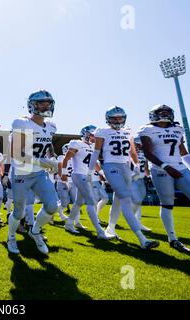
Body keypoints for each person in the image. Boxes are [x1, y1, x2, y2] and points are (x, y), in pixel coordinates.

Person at [87, 106, 159, 250]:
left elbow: (132, 151)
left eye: (120, 118)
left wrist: (137, 166)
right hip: (110, 165)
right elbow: (95, 153)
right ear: (108, 119)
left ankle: (110, 229)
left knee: (118, 200)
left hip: (125, 167)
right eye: (115, 118)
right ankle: (142, 239)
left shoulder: (128, 131)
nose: (118, 120)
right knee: (126, 198)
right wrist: (90, 171)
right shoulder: (102, 131)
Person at [138, 104, 190, 252]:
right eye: (162, 112)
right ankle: (173, 239)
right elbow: (148, 153)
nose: (165, 114)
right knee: (167, 203)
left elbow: (184, 154)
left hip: (181, 167)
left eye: (167, 112)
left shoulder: (177, 129)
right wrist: (166, 167)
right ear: (154, 115)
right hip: (161, 169)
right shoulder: (147, 130)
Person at [7, 90, 59, 255]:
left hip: (39, 173)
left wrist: (52, 159)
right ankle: (11, 237)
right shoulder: (22, 123)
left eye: (48, 103)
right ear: (32, 106)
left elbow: (47, 144)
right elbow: (16, 152)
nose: (46, 106)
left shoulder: (51, 126)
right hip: (22, 172)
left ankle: (35, 231)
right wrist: (40, 161)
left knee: (52, 206)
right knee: (19, 211)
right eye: (41, 103)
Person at [62, 125, 114, 239]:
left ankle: (69, 223)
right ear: (85, 134)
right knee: (91, 201)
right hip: (79, 175)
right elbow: (66, 159)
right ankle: (100, 231)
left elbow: (94, 163)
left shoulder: (93, 146)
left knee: (79, 202)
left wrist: (103, 174)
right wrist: (64, 174)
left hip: (87, 176)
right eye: (91, 135)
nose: (93, 137)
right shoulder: (77, 143)